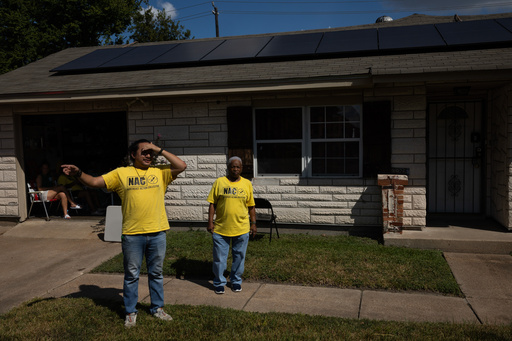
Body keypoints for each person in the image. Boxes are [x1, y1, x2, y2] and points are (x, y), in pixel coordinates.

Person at [61, 139, 187, 328]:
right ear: (132, 155)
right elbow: (95, 182)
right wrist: (78, 173)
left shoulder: (159, 173)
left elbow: (182, 165)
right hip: (132, 234)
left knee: (156, 273)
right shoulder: (122, 173)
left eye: (150, 152)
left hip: (158, 232)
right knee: (132, 275)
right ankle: (130, 311)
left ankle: (157, 308)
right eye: (144, 152)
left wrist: (158, 149)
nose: (148, 155)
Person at [207, 156, 257, 294]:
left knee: (239, 257)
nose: (235, 169)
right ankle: (219, 282)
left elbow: (251, 206)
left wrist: (253, 224)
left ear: (241, 169)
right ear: (228, 168)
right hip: (221, 228)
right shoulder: (219, 182)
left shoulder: (246, 184)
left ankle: (235, 281)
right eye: (233, 167)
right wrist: (210, 221)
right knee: (219, 258)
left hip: (241, 227)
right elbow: (212, 204)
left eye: (238, 167)